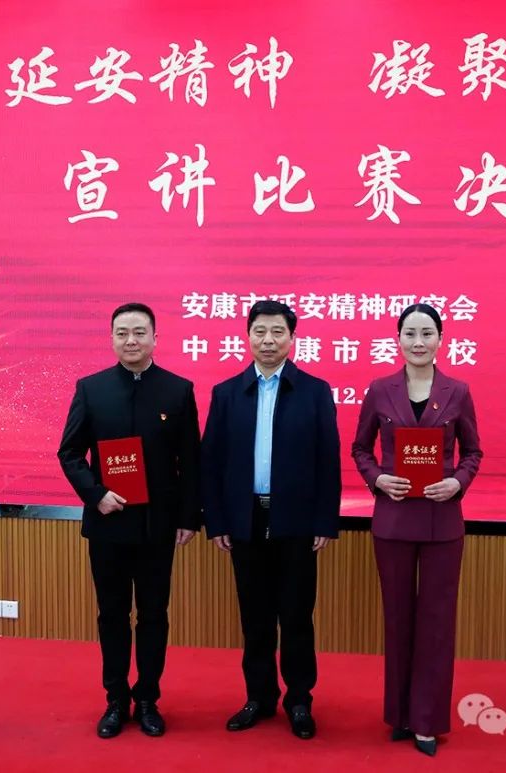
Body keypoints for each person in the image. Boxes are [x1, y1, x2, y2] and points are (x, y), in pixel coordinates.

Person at [57, 302, 201, 739]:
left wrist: (188, 517)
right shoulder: (92, 389)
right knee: (112, 614)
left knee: (154, 614)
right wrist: (96, 494)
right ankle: (116, 699)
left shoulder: (178, 390)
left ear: (155, 338)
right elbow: (69, 453)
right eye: (122, 333)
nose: (131, 340)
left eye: (140, 332)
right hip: (109, 524)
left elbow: (191, 460)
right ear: (111, 339)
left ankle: (148, 699)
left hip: (158, 525)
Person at [201, 299, 341, 740]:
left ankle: (299, 700)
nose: (268, 340)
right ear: (247, 336)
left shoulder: (314, 391)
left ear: (292, 338)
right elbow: (212, 462)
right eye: (260, 331)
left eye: (278, 332)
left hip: (296, 521)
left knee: (296, 616)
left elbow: (328, 461)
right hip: (245, 520)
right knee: (255, 617)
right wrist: (218, 522)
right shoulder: (227, 393)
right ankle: (259, 697)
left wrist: (324, 521)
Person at [351, 303, 483, 757]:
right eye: (410, 333)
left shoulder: (458, 391)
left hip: (442, 522)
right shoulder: (379, 389)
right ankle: (400, 715)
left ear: (441, 339)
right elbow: (360, 448)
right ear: (399, 339)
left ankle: (426, 720)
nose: (419, 341)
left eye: (427, 333)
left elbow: (473, 452)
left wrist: (457, 482)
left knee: (437, 623)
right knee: (398, 619)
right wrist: (377, 479)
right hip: (393, 520)